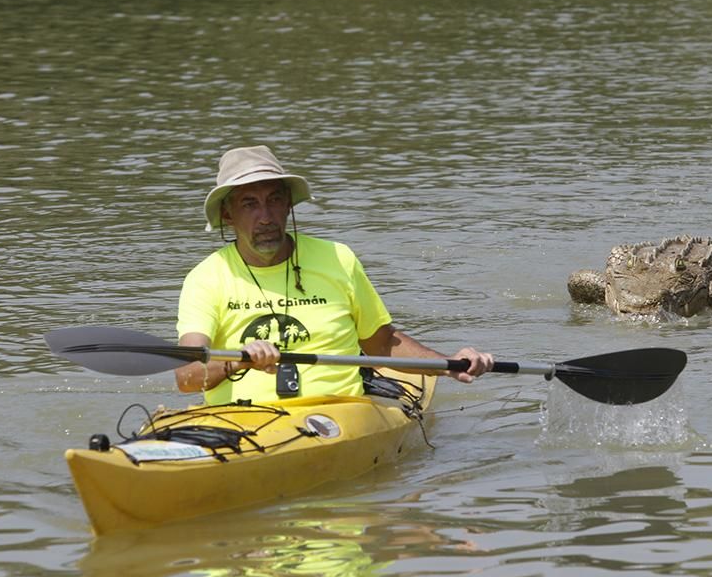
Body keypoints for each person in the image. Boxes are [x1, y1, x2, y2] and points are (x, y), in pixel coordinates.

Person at [175, 145, 494, 404]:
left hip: (338, 415)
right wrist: (237, 360)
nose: (266, 217)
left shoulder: (338, 259)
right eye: (250, 204)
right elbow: (187, 377)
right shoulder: (205, 278)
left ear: (288, 204)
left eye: (274, 200)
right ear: (228, 215)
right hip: (240, 423)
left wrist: (449, 364)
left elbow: (381, 345)